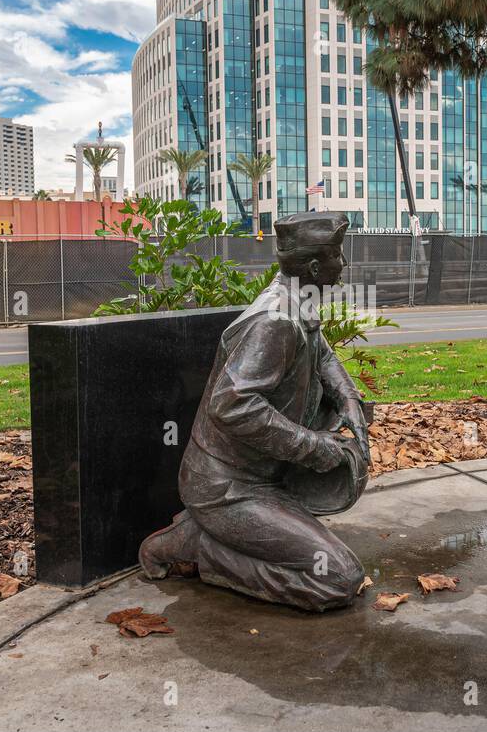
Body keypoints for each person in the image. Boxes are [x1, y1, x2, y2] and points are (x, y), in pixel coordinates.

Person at [138, 212, 370, 610]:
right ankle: (199, 546)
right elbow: (232, 404)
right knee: (336, 578)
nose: (342, 264)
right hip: (226, 487)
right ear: (315, 266)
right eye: (336, 255)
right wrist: (315, 447)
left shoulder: (298, 300)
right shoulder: (275, 321)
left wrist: (348, 400)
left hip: (264, 476)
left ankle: (207, 533)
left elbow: (323, 355)